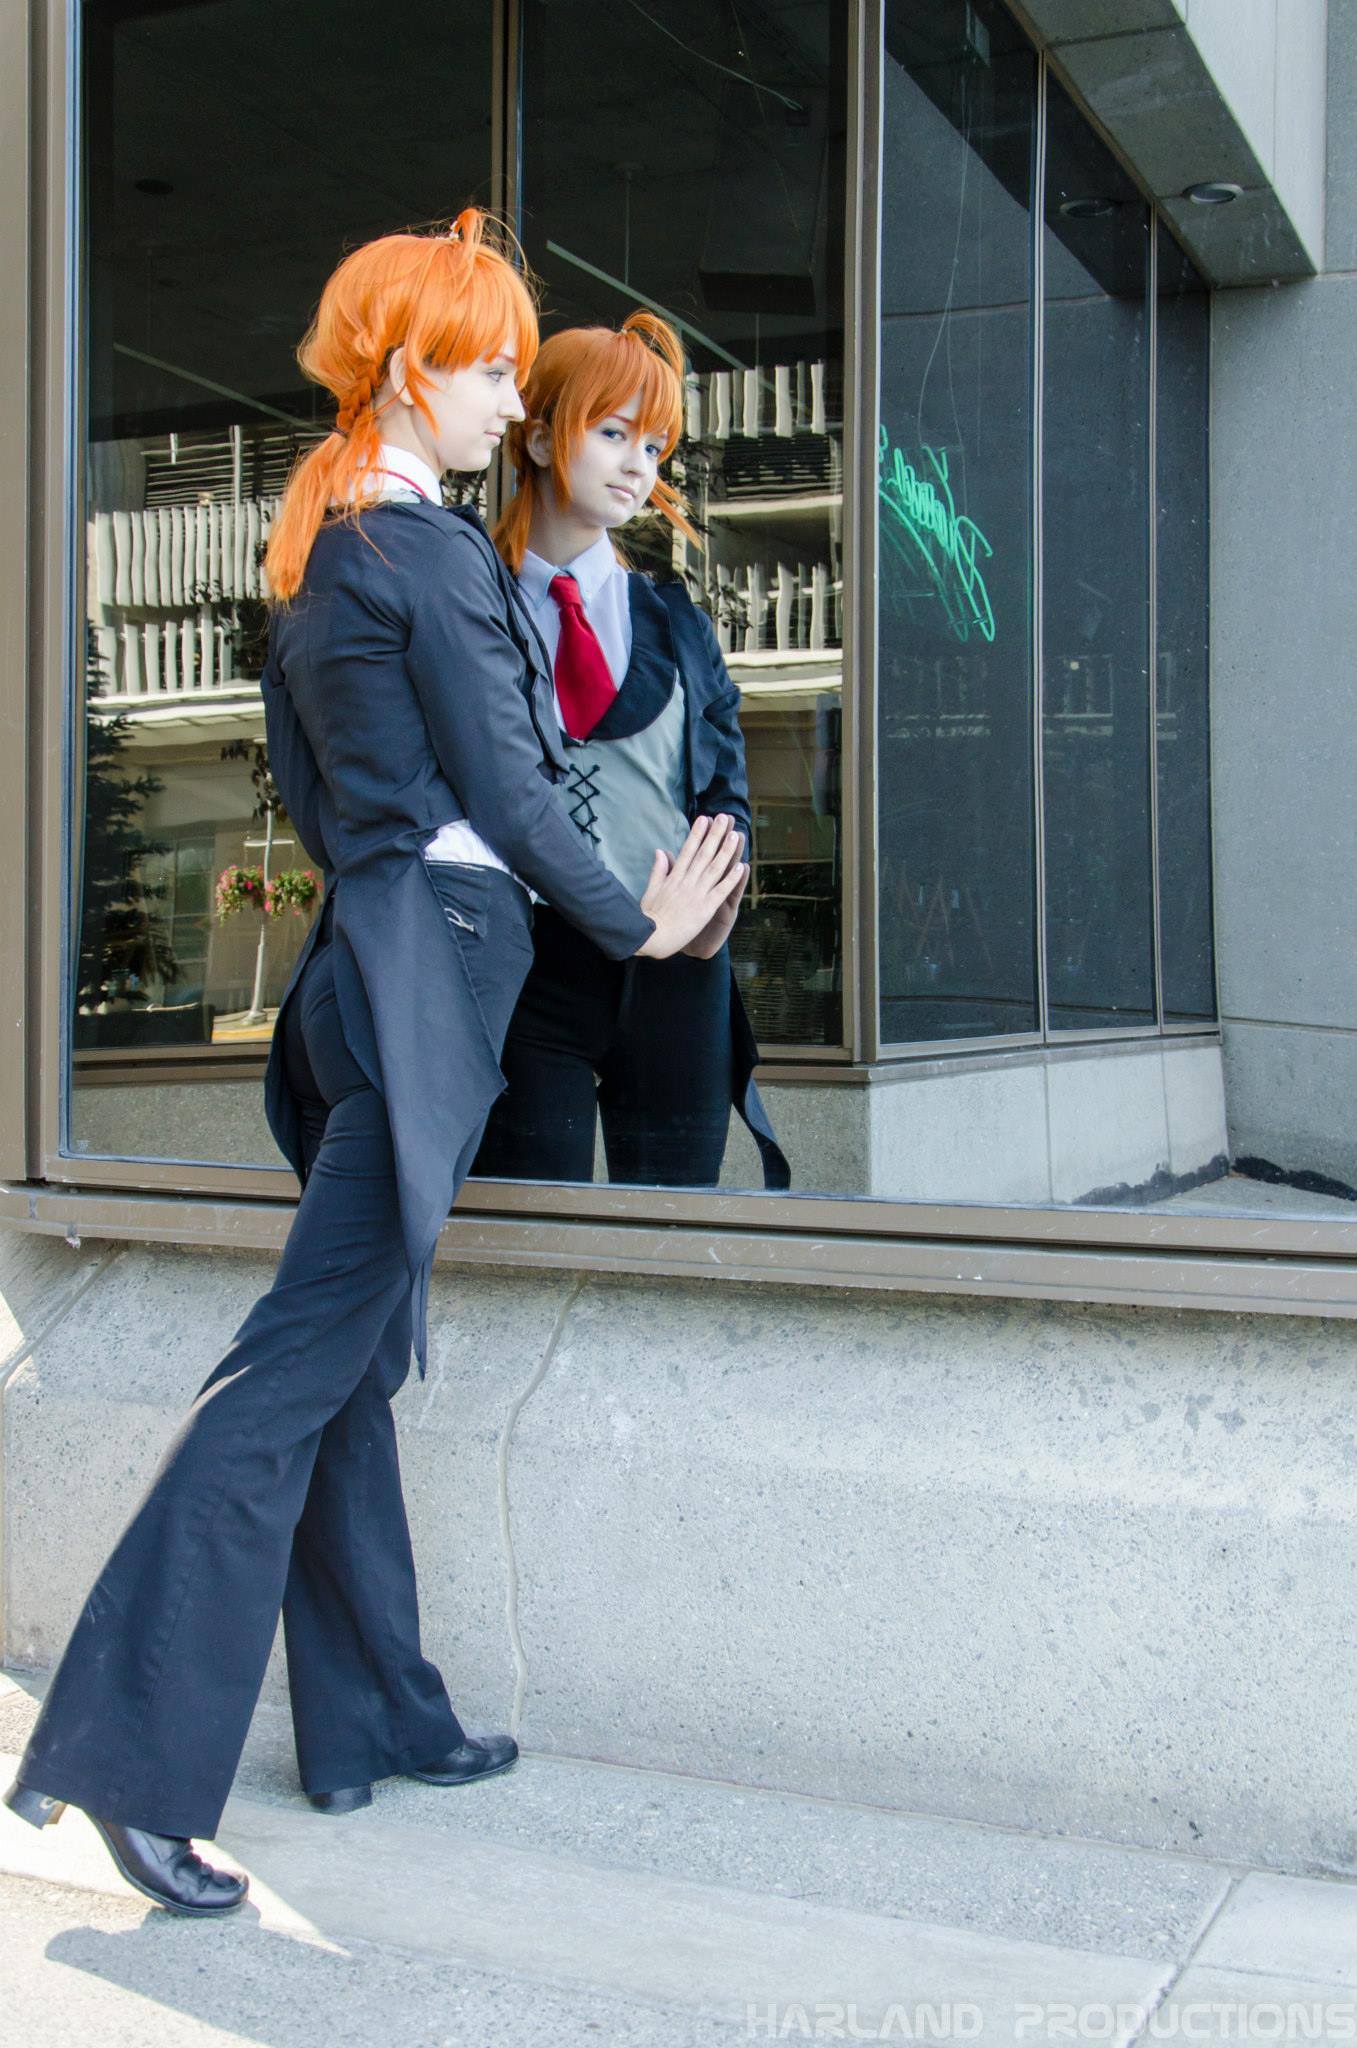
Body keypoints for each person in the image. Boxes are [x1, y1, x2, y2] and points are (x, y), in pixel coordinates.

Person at [3, 213, 745, 1917]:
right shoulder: (420, 552)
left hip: (367, 976)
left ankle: (368, 1719)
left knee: (340, 1374)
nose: (510, 402)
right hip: (428, 987)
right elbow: (511, 789)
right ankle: (124, 1763)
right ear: (413, 373)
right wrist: (637, 924)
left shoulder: (334, 547)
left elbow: (342, 800)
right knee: (289, 1377)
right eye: (491, 371)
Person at [475, 311, 789, 1190]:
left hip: (676, 971)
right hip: (523, 967)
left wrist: (708, 918)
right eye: (612, 434)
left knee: (674, 1234)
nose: (636, 466)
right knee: (530, 1232)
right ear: (541, 438)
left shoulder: (676, 621)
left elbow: (722, 792)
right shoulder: (470, 603)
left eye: (652, 446)